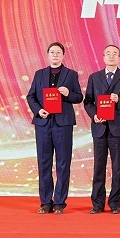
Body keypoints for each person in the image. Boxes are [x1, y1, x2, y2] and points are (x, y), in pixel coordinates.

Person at [26, 42, 83, 214]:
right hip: (43, 122)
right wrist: (38, 110)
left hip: (63, 123)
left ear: (63, 55)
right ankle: (45, 201)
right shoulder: (40, 74)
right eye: (52, 52)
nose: (55, 55)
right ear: (48, 55)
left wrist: (68, 94)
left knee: (63, 162)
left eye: (58, 52)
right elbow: (31, 96)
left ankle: (59, 202)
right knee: (44, 162)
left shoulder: (71, 74)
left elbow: (79, 97)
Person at [83, 44, 120, 214]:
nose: (111, 56)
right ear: (103, 57)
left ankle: (115, 203)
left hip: (117, 129)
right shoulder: (94, 77)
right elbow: (88, 101)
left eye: (115, 54)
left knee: (117, 167)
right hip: (99, 127)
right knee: (99, 166)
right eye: (108, 53)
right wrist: (94, 115)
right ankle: (97, 203)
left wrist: (119, 100)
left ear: (119, 58)